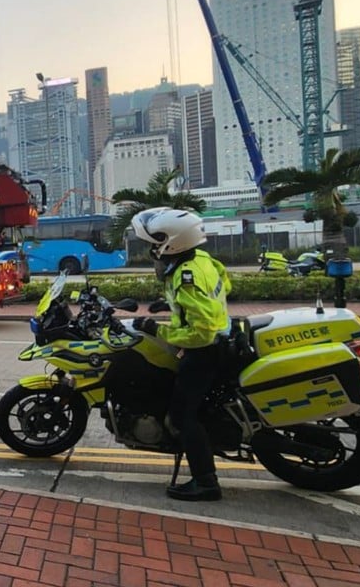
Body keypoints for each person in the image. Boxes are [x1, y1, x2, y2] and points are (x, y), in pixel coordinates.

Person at [130, 207, 231, 502]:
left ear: (172, 241)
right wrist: (175, 307)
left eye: (155, 242)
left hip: (203, 351)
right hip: (217, 344)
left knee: (182, 416)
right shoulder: (200, 259)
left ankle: (206, 482)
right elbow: (225, 284)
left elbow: (202, 332)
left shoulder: (186, 275)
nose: (152, 250)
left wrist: (159, 331)